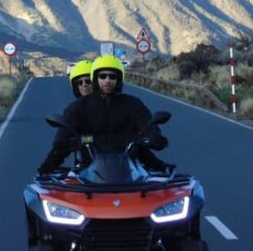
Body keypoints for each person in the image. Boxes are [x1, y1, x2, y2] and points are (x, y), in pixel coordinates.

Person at [38, 54, 168, 174]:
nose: (107, 80)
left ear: (119, 79)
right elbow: (63, 139)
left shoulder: (133, 104)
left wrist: (154, 136)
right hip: (86, 173)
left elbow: (147, 124)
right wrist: (46, 167)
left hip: (129, 172)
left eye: (112, 76)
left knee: (165, 181)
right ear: (96, 78)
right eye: (103, 76)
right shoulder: (78, 106)